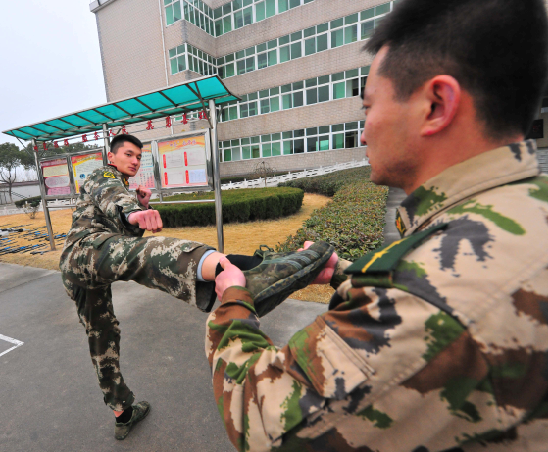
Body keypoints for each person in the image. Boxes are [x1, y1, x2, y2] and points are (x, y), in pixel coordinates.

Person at [206, 0, 548, 450]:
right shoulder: (524, 209)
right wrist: (347, 273)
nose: (363, 133)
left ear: (436, 104)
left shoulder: (429, 296)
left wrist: (231, 301)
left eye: (368, 107)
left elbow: (263, 417)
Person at [59, 134, 332, 440]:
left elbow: (120, 242)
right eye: (128, 154)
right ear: (112, 158)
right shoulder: (104, 174)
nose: (134, 161)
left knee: (102, 338)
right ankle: (246, 271)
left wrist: (138, 210)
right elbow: (111, 197)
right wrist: (134, 211)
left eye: (138, 156)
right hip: (84, 251)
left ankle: (122, 411)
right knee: (150, 254)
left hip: (82, 271)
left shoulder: (127, 188)